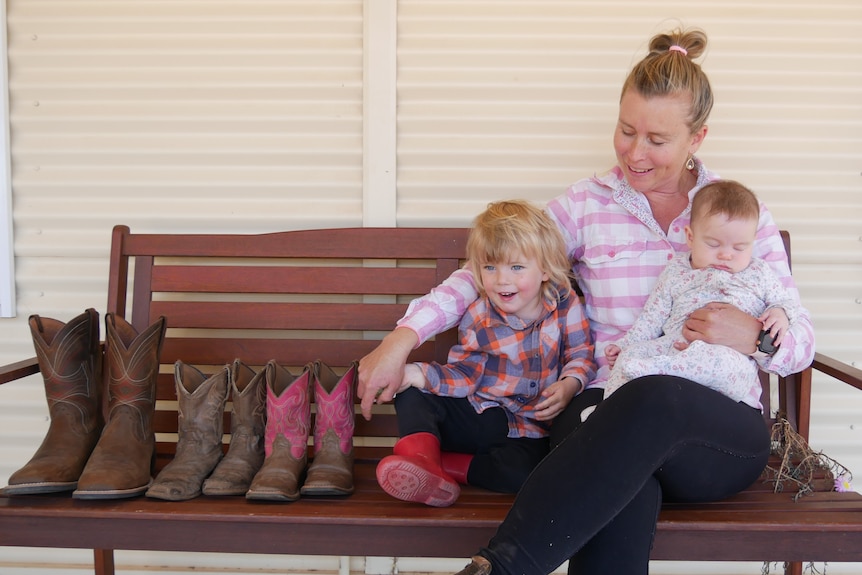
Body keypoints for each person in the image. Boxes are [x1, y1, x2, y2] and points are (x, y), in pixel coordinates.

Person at [358, 27, 814, 574]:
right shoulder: (584, 205)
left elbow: (801, 341)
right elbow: (487, 270)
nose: (635, 153)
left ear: (698, 137)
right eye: (626, 131)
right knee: (625, 468)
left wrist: (756, 337)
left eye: (657, 140)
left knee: (655, 402)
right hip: (603, 403)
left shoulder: (739, 216)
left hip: (715, 431)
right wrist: (401, 338)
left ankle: (502, 567)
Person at [376, 200, 595, 507]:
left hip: (528, 429)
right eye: (490, 267)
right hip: (483, 415)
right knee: (412, 390)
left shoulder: (565, 303)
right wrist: (420, 375)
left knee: (529, 474)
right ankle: (420, 458)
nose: (502, 279)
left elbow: (582, 353)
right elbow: (469, 373)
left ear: (545, 269)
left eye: (516, 267)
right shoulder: (479, 313)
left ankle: (445, 468)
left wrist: (571, 383)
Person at [603, 180, 806, 403]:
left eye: (739, 247)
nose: (726, 255)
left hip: (726, 357)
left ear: (752, 243)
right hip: (675, 346)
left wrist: (779, 312)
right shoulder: (677, 271)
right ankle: (607, 411)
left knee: (724, 363)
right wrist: (624, 346)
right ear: (690, 237)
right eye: (713, 244)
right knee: (629, 357)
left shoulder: (758, 272)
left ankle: (660, 371)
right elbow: (651, 318)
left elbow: (786, 302)